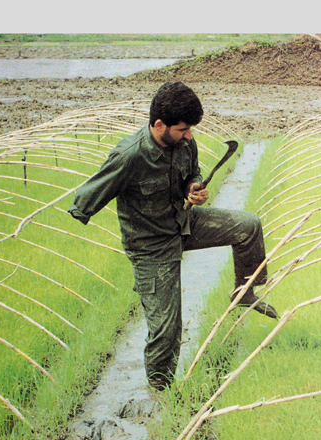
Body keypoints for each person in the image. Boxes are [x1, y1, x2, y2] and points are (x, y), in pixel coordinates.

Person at [68, 81, 277, 390]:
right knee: (166, 330)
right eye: (183, 129)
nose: (189, 135)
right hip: (151, 246)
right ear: (158, 125)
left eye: (190, 129)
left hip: (183, 223)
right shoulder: (129, 156)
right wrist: (84, 209)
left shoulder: (184, 142)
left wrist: (194, 188)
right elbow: (84, 199)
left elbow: (192, 173)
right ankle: (160, 391)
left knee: (248, 226)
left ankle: (244, 291)